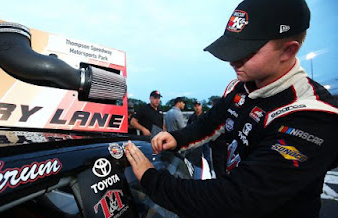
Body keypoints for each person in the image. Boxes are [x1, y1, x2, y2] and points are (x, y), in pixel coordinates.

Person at [125, 0, 338, 217]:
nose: (232, 61)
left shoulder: (313, 115)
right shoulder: (240, 87)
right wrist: (177, 138)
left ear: (287, 51)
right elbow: (209, 123)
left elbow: (234, 199)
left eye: (247, 51)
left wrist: (151, 178)